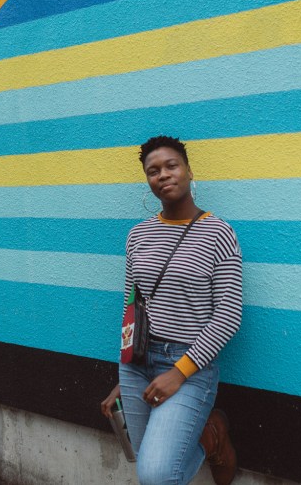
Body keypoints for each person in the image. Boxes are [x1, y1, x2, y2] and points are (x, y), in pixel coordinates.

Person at [101, 135, 242, 485]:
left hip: (189, 364)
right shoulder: (138, 235)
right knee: (144, 462)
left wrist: (179, 372)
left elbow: (228, 315)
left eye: (171, 166)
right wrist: (125, 370)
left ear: (189, 171)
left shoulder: (218, 233)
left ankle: (211, 437)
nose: (163, 175)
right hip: (136, 365)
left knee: (157, 475)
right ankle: (207, 437)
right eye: (153, 171)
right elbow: (132, 307)